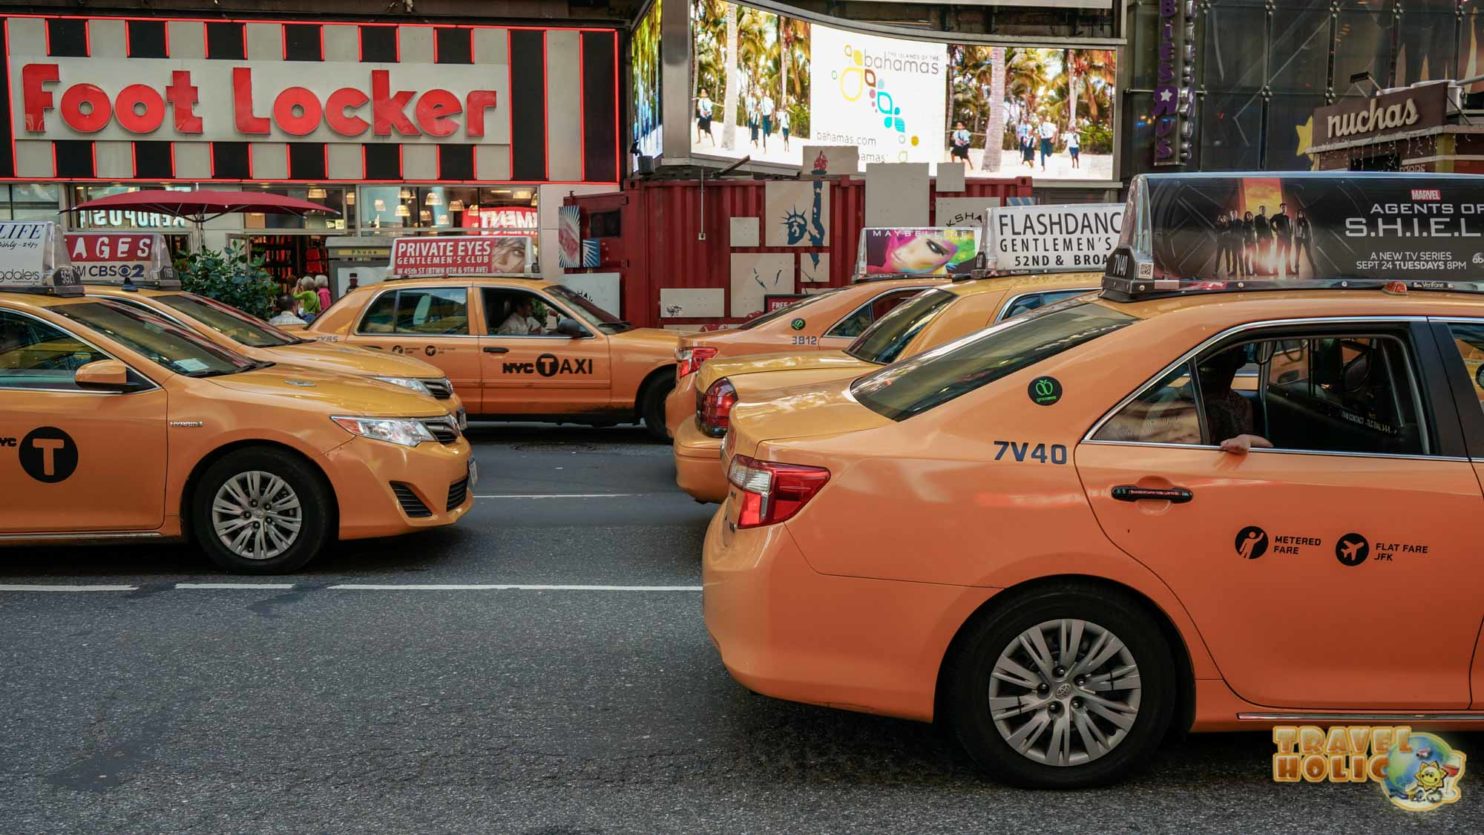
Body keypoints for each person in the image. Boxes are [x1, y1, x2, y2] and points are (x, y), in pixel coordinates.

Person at [1198, 347, 1273, 454]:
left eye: (1227, 354)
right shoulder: (1188, 402)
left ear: (1239, 361)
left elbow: (1268, 447)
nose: (1218, 360)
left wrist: (1246, 439)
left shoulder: (1241, 403)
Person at [1271, 203, 1293, 279]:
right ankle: (1275, 270)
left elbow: (1290, 228)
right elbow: (1270, 222)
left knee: (1287, 255)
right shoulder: (1276, 216)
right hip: (1280, 239)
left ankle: (1288, 270)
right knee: (1278, 254)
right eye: (1282, 207)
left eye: (1285, 207)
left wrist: (1290, 236)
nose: (1284, 209)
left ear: (1286, 209)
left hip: (1288, 239)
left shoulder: (1287, 217)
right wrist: (1276, 230)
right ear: (1280, 208)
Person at [1293, 209, 1315, 277]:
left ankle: (1314, 268)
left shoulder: (1306, 221)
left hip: (1306, 238)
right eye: (1299, 213)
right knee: (1297, 253)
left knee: (1308, 253)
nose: (1300, 214)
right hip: (1298, 239)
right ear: (1297, 214)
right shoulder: (1295, 221)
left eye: (1301, 213)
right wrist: (1294, 239)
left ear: (1303, 214)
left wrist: (1311, 239)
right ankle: (1296, 269)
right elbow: (1294, 231)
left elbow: (1310, 231)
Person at [1253, 206, 1273, 275]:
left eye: (1264, 209)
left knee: (1267, 255)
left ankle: (1266, 270)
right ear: (1259, 210)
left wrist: (1272, 238)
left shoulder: (1267, 219)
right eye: (1261, 209)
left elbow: (1269, 229)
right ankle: (1259, 271)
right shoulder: (1256, 217)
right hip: (1261, 239)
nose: (1263, 210)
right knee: (1261, 255)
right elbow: (1256, 228)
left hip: (1268, 239)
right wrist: (1261, 237)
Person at [1241, 211, 1257, 276]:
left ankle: (1254, 271)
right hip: (1248, 242)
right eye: (1248, 215)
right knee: (1247, 257)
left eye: (1250, 215)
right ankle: (1247, 271)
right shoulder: (1244, 224)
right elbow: (1243, 234)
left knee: (1254, 257)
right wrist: (1247, 241)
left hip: (1254, 242)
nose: (1249, 216)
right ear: (1246, 216)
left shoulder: (1253, 223)